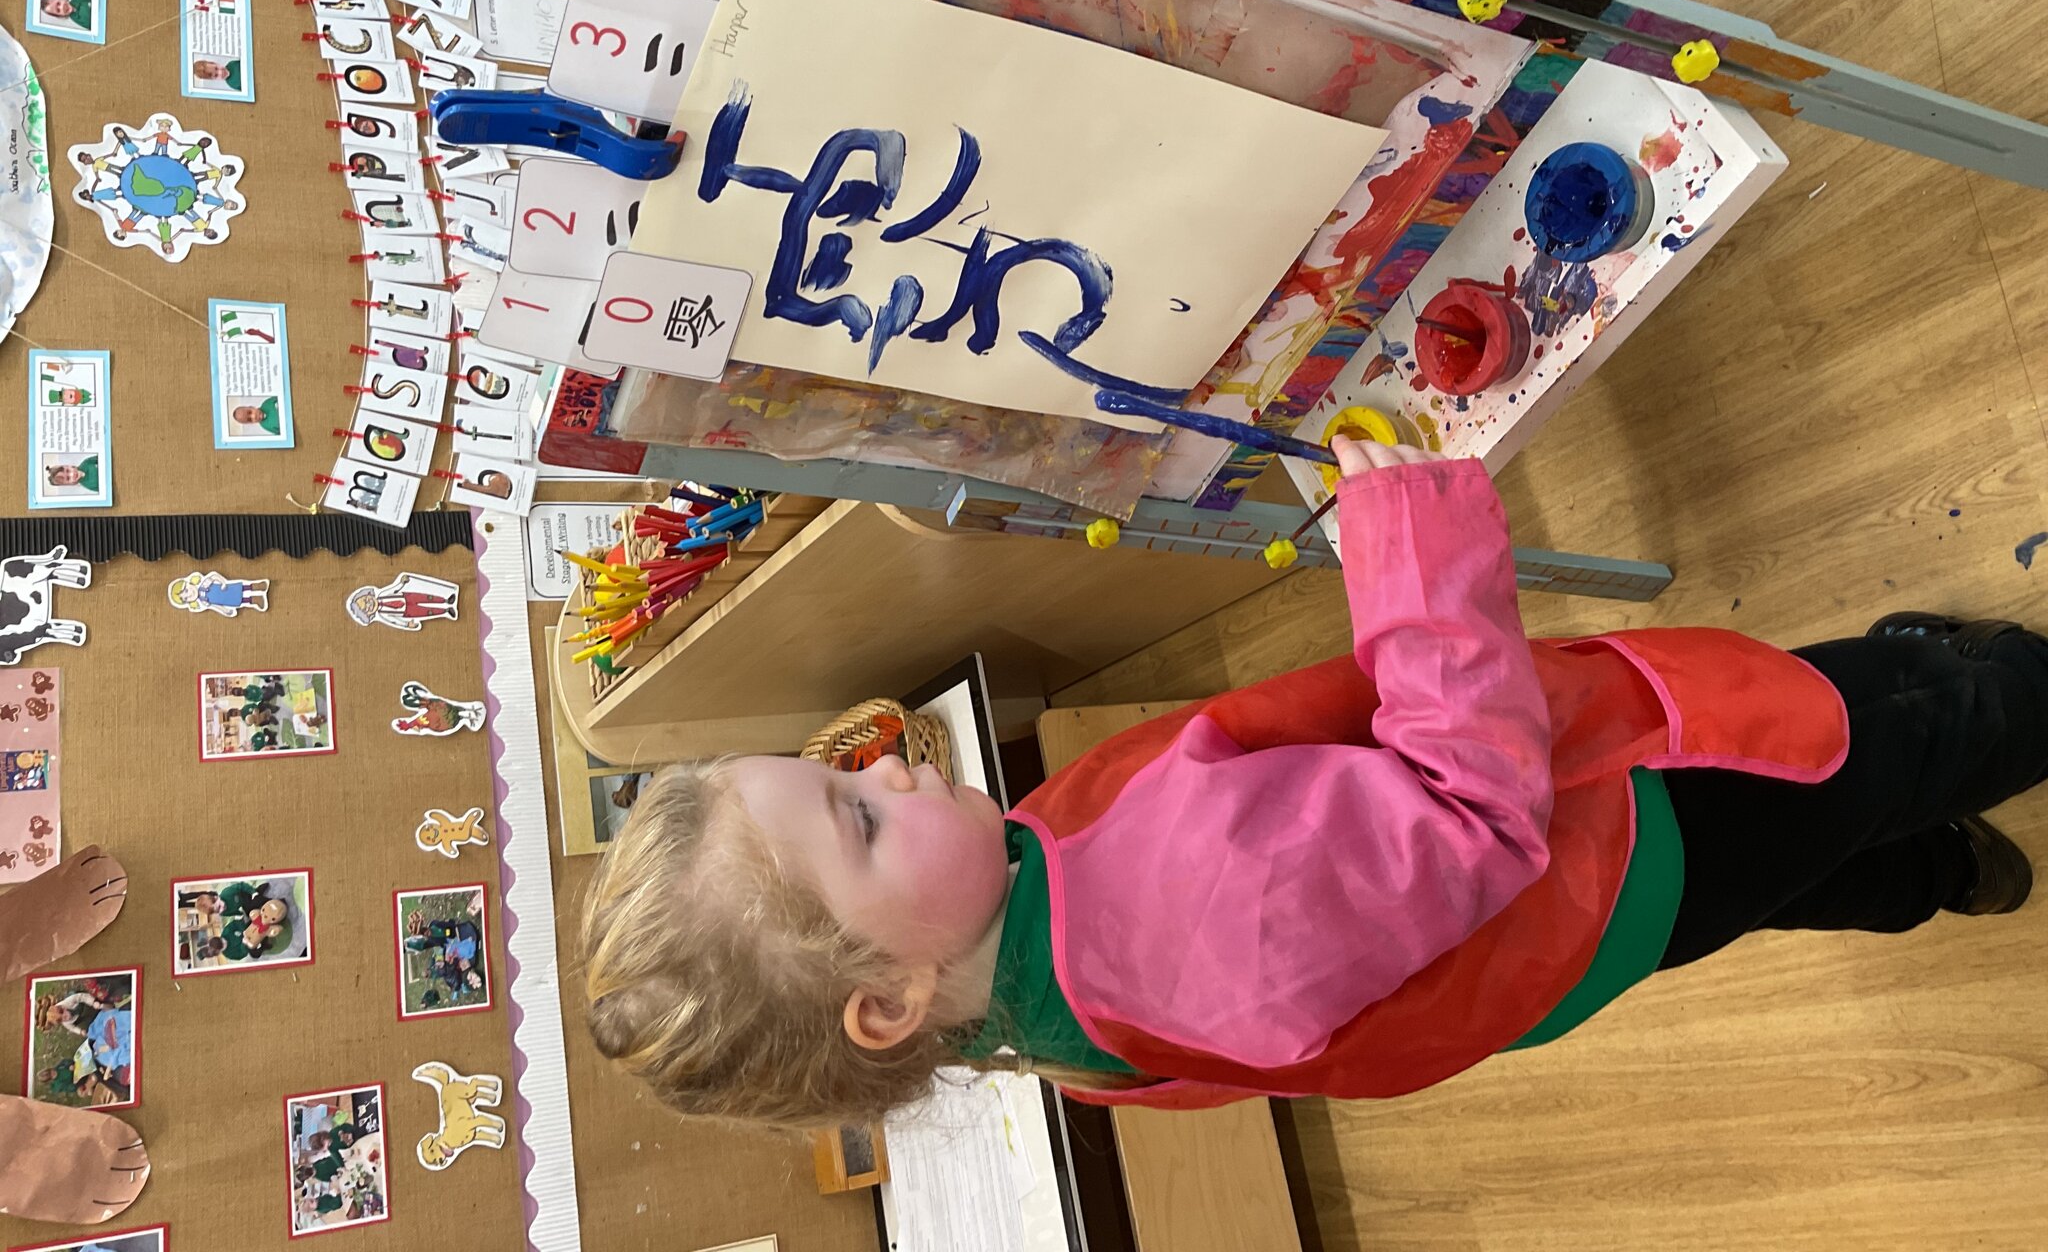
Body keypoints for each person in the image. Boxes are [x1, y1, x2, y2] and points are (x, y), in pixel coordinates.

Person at [581, 440, 2048, 1130]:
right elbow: (1474, 807)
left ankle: (1936, 871)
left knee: (1806, 867)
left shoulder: (1008, 995)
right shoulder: (1193, 917)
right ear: (886, 1000)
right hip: (1616, 840)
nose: (893, 759)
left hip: (1594, 928)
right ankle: (1987, 725)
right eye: (857, 815)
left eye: (847, 764)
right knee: (1892, 726)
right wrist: (1403, 533)